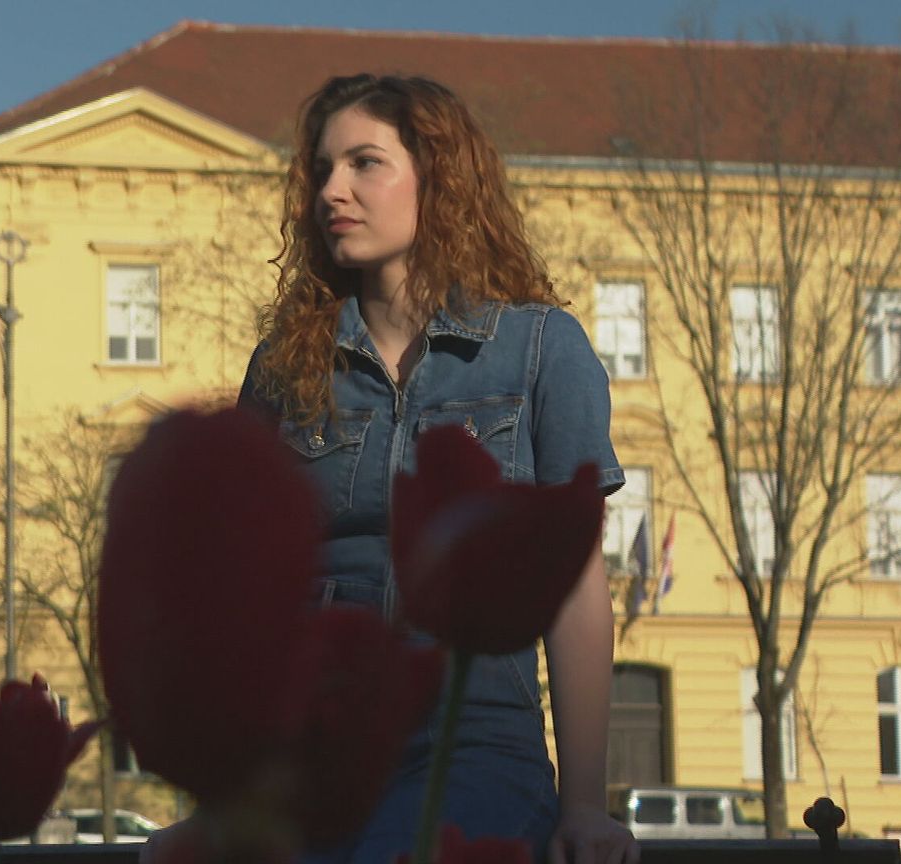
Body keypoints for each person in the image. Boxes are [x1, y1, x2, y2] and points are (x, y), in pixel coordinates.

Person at [235, 74, 640, 864]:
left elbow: (576, 585)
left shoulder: (540, 349)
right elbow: (253, 593)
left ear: (440, 178)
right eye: (322, 169)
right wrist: (226, 806)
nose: (332, 190)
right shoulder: (284, 368)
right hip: (315, 748)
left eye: (364, 163)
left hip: (473, 740)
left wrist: (586, 806)